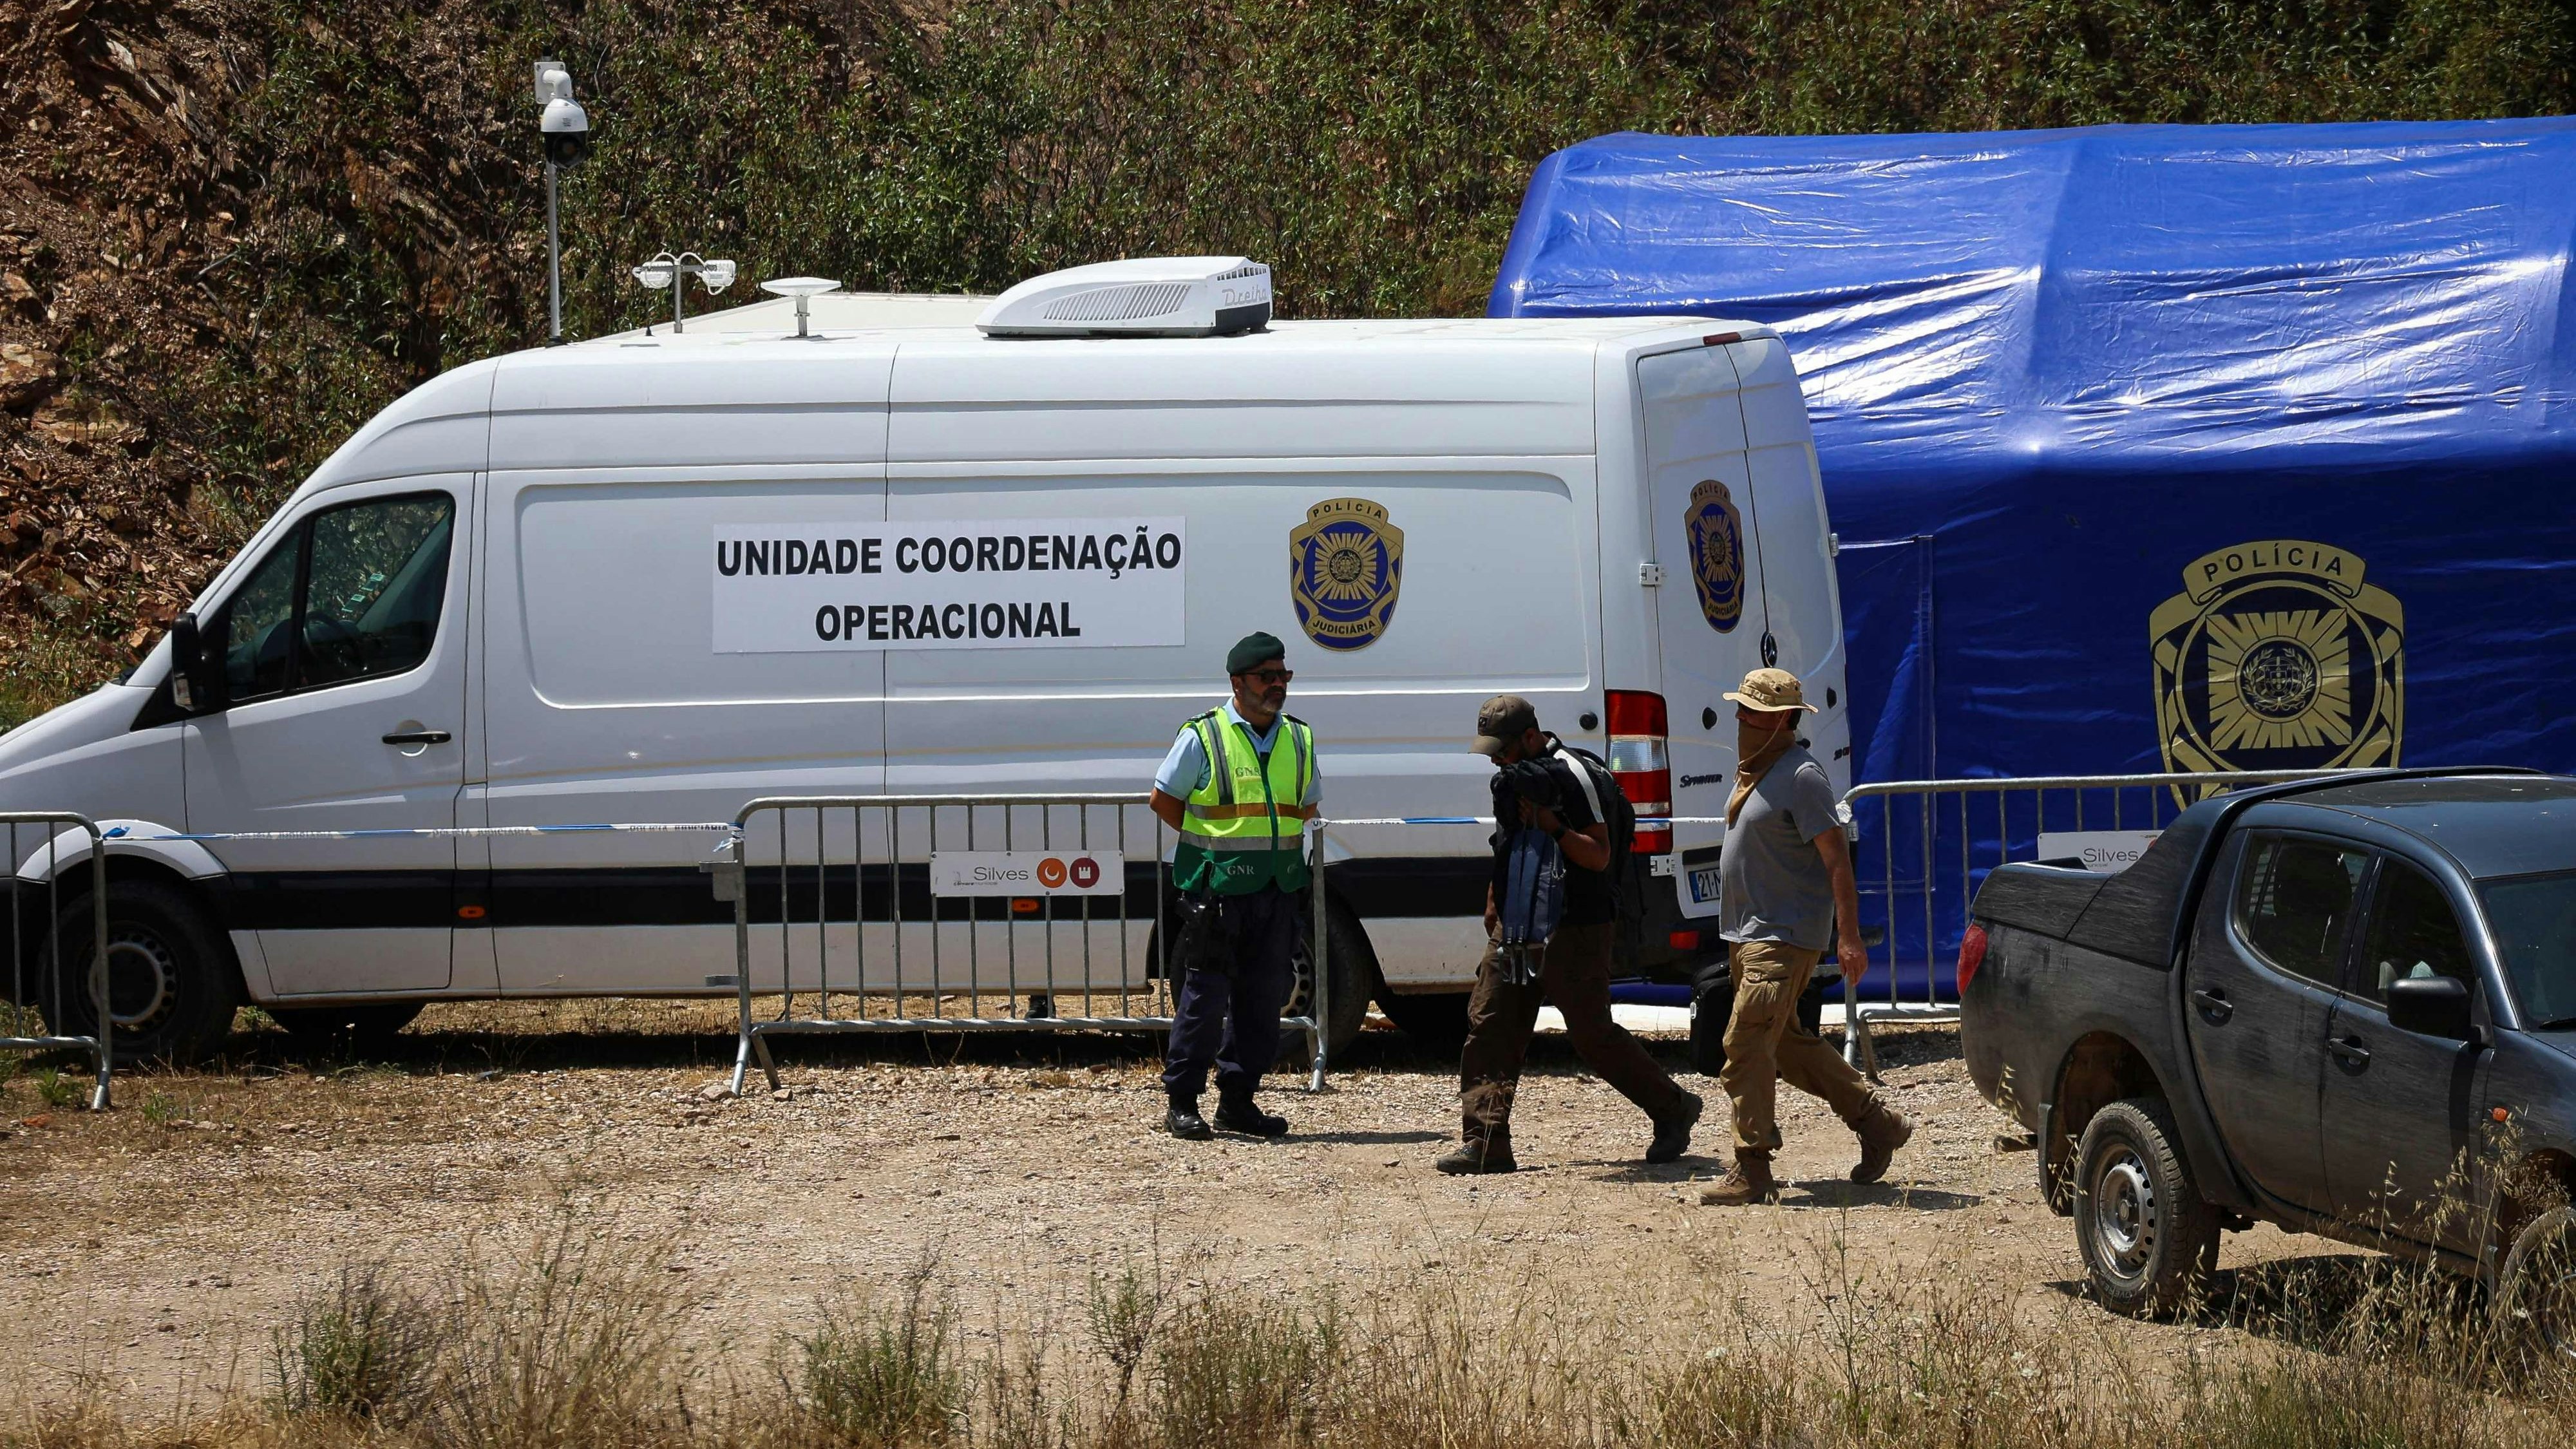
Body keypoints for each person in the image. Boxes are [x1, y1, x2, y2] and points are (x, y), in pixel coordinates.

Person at [1436, 695, 1703, 1174]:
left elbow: (1598, 855)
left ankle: (1673, 1107)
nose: (1497, 759)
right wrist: (1495, 901)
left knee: (1592, 1035)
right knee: (1490, 1022)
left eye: (1504, 750)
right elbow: (1508, 840)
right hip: (1519, 922)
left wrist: (1552, 826)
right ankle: (1485, 1142)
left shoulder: (1572, 774)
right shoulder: (1513, 778)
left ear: (1532, 737)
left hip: (1576, 924)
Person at [1698, 667, 1914, 1206]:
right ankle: (1877, 1122)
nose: (1740, 720)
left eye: (1750, 712)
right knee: (1788, 1047)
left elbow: (1837, 859)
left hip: (1782, 936)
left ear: (1778, 721)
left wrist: (1849, 938)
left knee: (1745, 1044)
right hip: (1751, 935)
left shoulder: (1801, 776)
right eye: (1741, 709)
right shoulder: (1758, 769)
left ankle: (1752, 1166)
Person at [1148, 631, 1320, 1142]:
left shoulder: (1299, 737)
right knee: (1204, 999)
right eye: (1266, 677)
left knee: (1262, 1002)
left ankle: (1238, 1102)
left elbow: (1306, 806)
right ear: (1237, 682)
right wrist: (1212, 844)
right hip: (1218, 892)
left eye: (1283, 676)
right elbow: (1164, 799)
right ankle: (1182, 1101)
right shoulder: (1204, 735)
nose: (1277, 686)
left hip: (1276, 889)